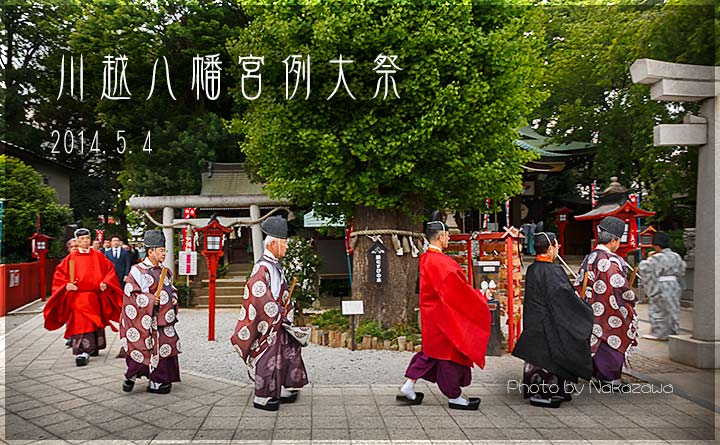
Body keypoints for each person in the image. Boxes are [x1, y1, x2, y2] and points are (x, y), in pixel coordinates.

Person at [396, 218, 491, 410]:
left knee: (430, 353)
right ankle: (454, 396)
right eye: (447, 235)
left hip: (432, 315)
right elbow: (457, 292)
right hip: (443, 318)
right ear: (441, 236)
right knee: (449, 355)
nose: (449, 238)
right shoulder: (441, 262)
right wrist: (480, 297)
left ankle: (408, 387)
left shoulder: (426, 258)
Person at [230, 216, 308, 411]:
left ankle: (281, 389)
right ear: (273, 243)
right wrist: (277, 311)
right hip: (268, 322)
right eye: (284, 243)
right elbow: (258, 296)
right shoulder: (262, 267)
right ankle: (262, 397)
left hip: (277, 319)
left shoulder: (273, 265)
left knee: (283, 355)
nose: (287, 247)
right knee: (268, 359)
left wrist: (286, 307)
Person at [512, 232, 594, 408]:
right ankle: (549, 394)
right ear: (550, 248)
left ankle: (541, 391)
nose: (559, 247)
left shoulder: (533, 268)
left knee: (537, 360)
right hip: (549, 323)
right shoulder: (553, 271)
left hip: (535, 321)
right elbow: (563, 297)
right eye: (557, 245)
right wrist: (583, 308)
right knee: (551, 359)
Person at [574, 216, 638, 391]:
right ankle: (610, 379)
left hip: (590, 308)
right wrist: (631, 297)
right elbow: (620, 288)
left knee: (596, 341)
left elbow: (580, 283)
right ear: (613, 240)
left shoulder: (590, 257)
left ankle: (598, 376)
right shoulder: (611, 261)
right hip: (609, 309)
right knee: (611, 340)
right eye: (618, 240)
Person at [43, 228, 123, 366]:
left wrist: (106, 282)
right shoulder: (71, 259)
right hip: (79, 297)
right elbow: (59, 276)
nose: (85, 241)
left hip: (95, 296)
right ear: (77, 241)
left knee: (94, 322)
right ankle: (82, 352)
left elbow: (109, 270)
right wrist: (67, 285)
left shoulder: (98, 256)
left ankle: (94, 347)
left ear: (90, 239)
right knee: (81, 323)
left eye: (87, 238)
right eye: (81, 239)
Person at [120, 230, 181, 394]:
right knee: (142, 347)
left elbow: (171, 289)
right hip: (145, 320)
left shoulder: (165, 271)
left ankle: (158, 381)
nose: (164, 254)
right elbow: (131, 293)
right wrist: (148, 299)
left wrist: (173, 297)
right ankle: (131, 375)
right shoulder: (137, 270)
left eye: (164, 250)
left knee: (166, 346)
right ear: (151, 251)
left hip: (163, 319)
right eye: (161, 250)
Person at [638, 232, 686, 340]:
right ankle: (673, 331)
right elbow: (682, 270)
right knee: (673, 309)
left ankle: (658, 332)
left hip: (660, 285)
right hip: (674, 284)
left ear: (657, 246)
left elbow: (644, 268)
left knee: (658, 309)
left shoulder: (656, 257)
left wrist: (648, 258)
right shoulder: (676, 256)